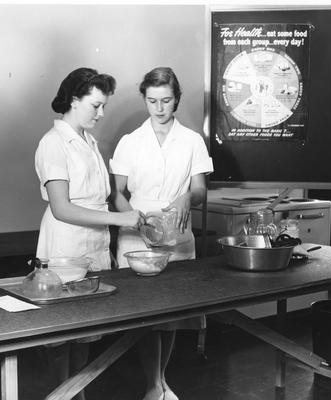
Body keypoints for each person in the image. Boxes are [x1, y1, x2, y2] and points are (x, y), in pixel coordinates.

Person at [34, 67, 145, 400]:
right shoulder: (53, 143)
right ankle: (63, 393)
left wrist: (130, 215)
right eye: (95, 105)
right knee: (61, 330)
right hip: (65, 243)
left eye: (104, 106)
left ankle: (77, 392)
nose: (101, 113)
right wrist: (120, 219)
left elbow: (100, 197)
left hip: (94, 243)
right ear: (73, 99)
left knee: (86, 329)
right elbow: (61, 208)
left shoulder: (89, 141)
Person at [110, 67, 213, 400]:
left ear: (176, 99)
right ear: (145, 99)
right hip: (137, 230)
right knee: (145, 313)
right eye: (152, 100)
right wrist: (134, 219)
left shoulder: (192, 140)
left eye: (166, 100)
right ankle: (154, 384)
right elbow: (118, 193)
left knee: (170, 313)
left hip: (176, 228)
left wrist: (187, 197)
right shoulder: (130, 142)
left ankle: (159, 381)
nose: (159, 108)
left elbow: (199, 190)